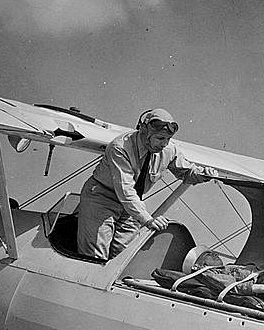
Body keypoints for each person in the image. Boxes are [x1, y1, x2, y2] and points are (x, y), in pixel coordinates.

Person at [77, 109, 217, 260]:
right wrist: (148, 220)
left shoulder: (169, 149)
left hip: (132, 204)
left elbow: (186, 172)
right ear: (144, 131)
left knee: (124, 255)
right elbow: (126, 190)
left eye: (168, 139)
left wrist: (203, 174)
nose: (164, 144)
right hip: (101, 198)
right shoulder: (120, 147)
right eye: (160, 138)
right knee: (95, 254)